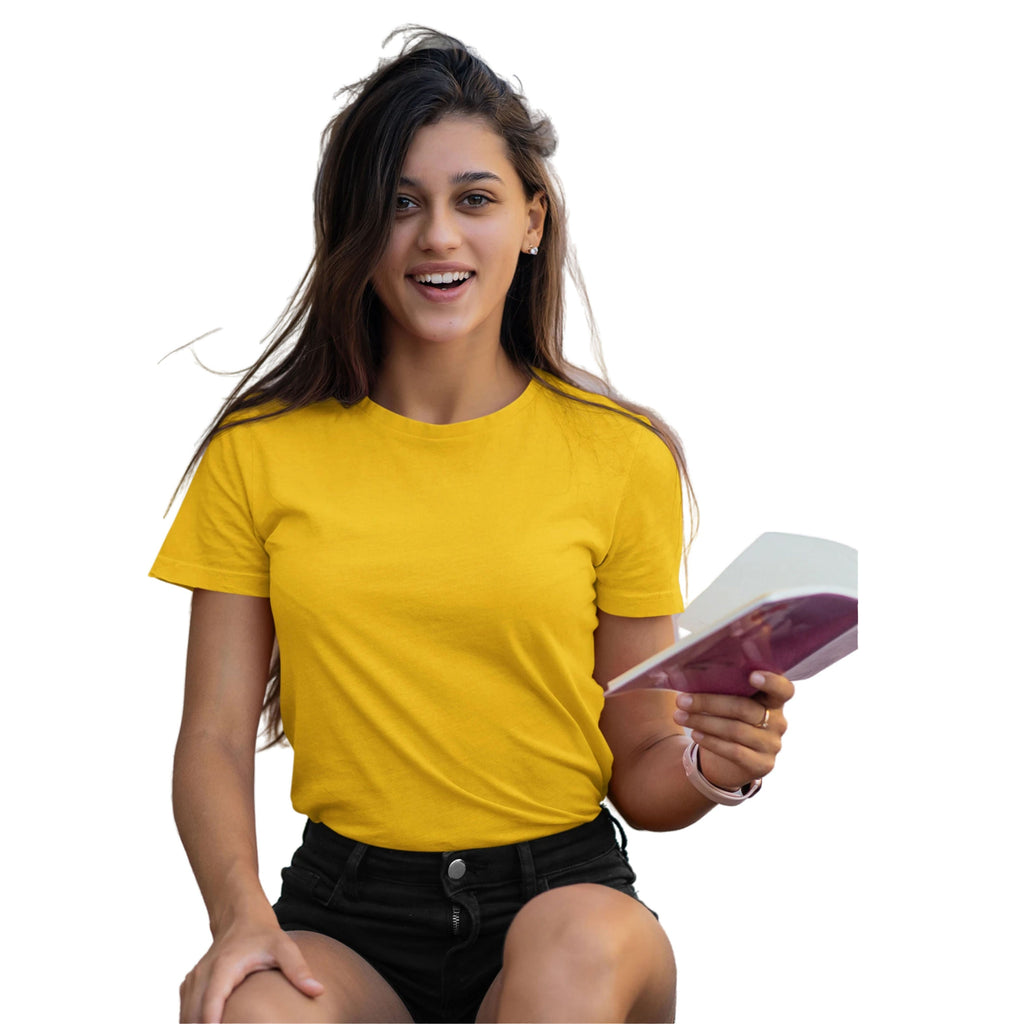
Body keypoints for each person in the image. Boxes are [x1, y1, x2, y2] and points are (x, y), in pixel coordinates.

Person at [152, 27, 795, 1024]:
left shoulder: (619, 457)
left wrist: (715, 763)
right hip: (346, 911)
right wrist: (239, 918)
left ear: (532, 221)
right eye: (400, 204)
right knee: (255, 1007)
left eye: (474, 199)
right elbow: (214, 734)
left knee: (574, 950)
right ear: (355, 231)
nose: (437, 236)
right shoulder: (261, 450)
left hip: (560, 902)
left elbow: (641, 768)